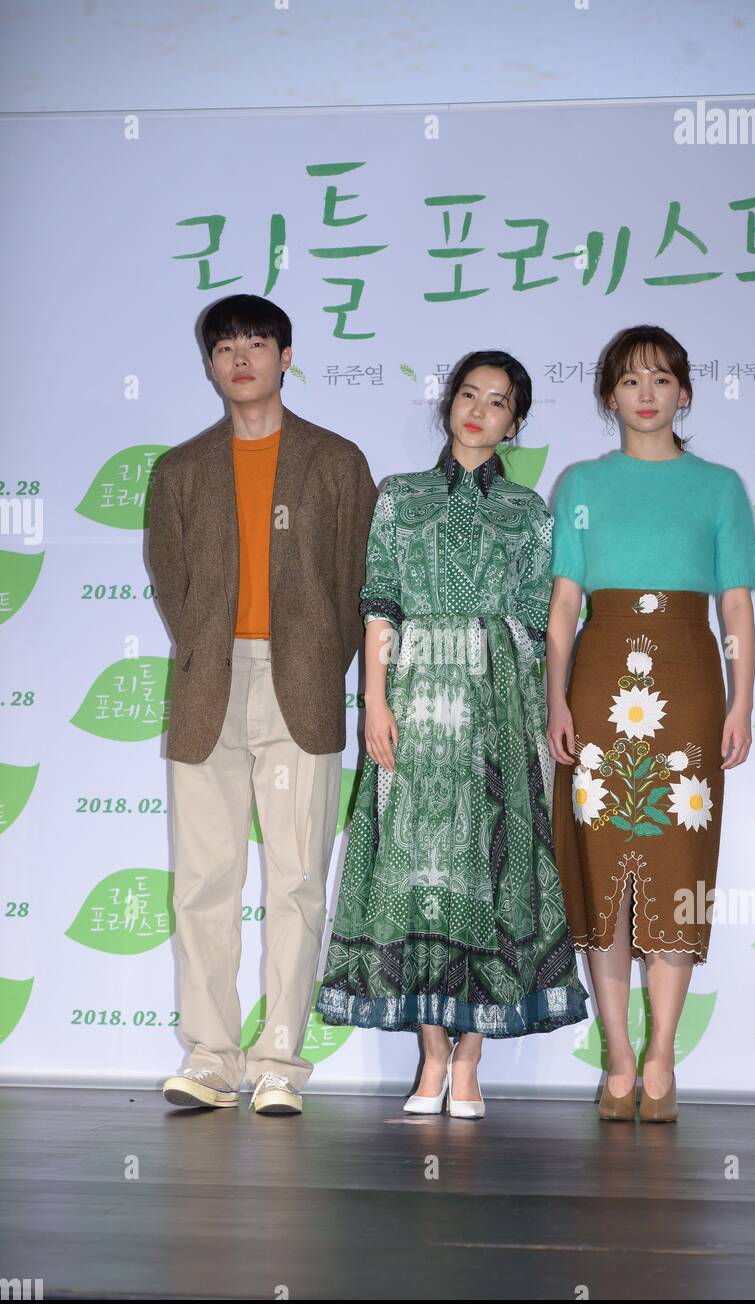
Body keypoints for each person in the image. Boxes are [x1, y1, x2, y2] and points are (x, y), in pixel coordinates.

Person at [315, 350, 589, 1119]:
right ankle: (431, 1059)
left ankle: (470, 1064)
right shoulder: (399, 497)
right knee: (420, 875)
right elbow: (380, 603)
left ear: (517, 421)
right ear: (449, 404)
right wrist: (373, 699)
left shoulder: (531, 510)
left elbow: (545, 624)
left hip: (499, 700)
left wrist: (542, 713)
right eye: (468, 394)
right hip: (411, 696)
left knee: (491, 870)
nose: (478, 410)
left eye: (497, 401)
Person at [148, 293, 378, 1116]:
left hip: (304, 685)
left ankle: (280, 1061)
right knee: (203, 880)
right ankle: (210, 1057)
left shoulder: (337, 461)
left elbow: (362, 582)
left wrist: (317, 656)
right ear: (210, 365)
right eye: (225, 348)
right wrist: (218, 652)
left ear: (287, 355)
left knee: (298, 880)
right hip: (209, 686)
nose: (241, 359)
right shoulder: (179, 468)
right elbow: (171, 586)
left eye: (257, 343)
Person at [547, 325, 755, 1123]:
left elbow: (735, 603)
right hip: (600, 679)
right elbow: (564, 604)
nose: (646, 393)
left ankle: (664, 1055)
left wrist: (741, 699)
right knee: (603, 873)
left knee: (676, 868)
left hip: (689, 678)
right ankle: (617, 1055)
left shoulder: (719, 488)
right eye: (631, 380)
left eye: (662, 379)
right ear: (609, 395)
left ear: (684, 393)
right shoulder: (580, 485)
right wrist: (556, 697)